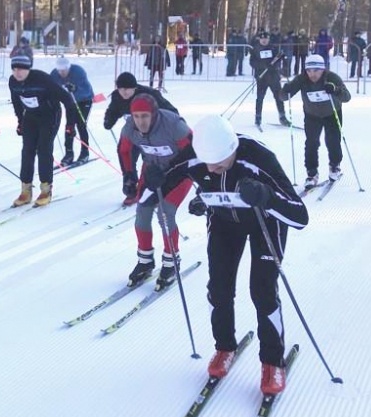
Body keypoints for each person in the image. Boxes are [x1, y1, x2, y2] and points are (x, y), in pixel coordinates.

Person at [165, 115, 308, 395]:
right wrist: (156, 182)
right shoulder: (196, 156)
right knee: (218, 288)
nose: (212, 169)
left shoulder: (258, 157)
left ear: (232, 149)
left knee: (262, 291)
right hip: (224, 223)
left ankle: (272, 361)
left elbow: (299, 216)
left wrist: (266, 196)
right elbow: (164, 179)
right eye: (208, 163)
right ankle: (224, 346)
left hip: (264, 224)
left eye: (220, 163)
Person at [117, 94, 193, 290]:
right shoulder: (130, 127)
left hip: (179, 174)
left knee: (165, 213)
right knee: (142, 212)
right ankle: (145, 261)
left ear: (154, 114)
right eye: (136, 116)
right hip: (151, 172)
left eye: (144, 116)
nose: (140, 121)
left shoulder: (173, 124)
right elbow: (124, 150)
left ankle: (171, 261)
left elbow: (193, 152)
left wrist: (174, 171)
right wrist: (129, 176)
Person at [8, 54, 78, 207]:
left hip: (50, 115)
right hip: (31, 116)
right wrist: (20, 121)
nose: (18, 72)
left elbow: (67, 100)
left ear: (28, 69)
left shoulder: (42, 79)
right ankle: (25, 190)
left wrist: (70, 125)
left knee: (44, 149)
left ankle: (46, 189)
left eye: (21, 69)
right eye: (14, 69)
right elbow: (16, 102)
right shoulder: (13, 82)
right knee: (27, 151)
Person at [104, 72, 178, 206]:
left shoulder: (150, 96)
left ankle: (157, 187)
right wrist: (109, 120)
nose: (124, 92)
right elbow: (113, 110)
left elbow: (171, 111)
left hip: (154, 133)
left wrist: (172, 127)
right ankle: (130, 186)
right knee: (124, 153)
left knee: (151, 161)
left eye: (127, 89)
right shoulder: (117, 97)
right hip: (133, 133)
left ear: (134, 88)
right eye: (121, 89)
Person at [280, 54, 352, 188]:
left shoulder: (332, 78)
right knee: (311, 143)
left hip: (332, 113)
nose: (312, 74)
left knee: (333, 141)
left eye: (316, 71)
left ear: (322, 70)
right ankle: (312, 173)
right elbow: (283, 96)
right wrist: (285, 92)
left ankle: (335, 166)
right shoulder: (302, 79)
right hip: (312, 115)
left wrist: (335, 90)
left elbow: (347, 97)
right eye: (309, 71)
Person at [50, 56, 95, 165]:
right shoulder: (54, 75)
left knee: (81, 124)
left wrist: (75, 88)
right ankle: (68, 154)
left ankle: (85, 152)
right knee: (69, 126)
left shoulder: (78, 72)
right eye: (59, 71)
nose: (62, 73)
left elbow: (84, 87)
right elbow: (51, 87)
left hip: (85, 99)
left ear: (68, 68)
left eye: (64, 71)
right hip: (70, 102)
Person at [250, 30, 290, 127]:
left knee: (278, 97)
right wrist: (263, 66)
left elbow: (279, 58)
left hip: (273, 77)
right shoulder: (256, 49)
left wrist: (283, 60)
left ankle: (282, 117)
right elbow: (252, 62)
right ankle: (258, 117)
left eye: (266, 38)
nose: (264, 40)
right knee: (260, 98)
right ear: (259, 39)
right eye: (262, 38)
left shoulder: (273, 48)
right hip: (261, 77)